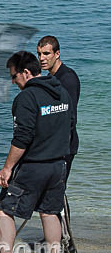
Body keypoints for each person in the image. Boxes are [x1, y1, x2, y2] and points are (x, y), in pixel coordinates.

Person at [0, 50, 73, 253]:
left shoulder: (26, 98)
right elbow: (71, 124)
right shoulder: (62, 92)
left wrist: (7, 168)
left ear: (26, 72)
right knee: (50, 212)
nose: (13, 82)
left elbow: (22, 138)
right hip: (58, 165)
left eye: (14, 76)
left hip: (34, 166)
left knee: (5, 209)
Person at [37, 35, 80, 181]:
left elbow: (70, 118)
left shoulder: (67, 79)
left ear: (57, 54)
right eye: (39, 54)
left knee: (56, 190)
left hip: (64, 146)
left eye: (46, 53)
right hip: (53, 146)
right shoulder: (51, 78)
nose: (42, 58)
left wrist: (59, 149)